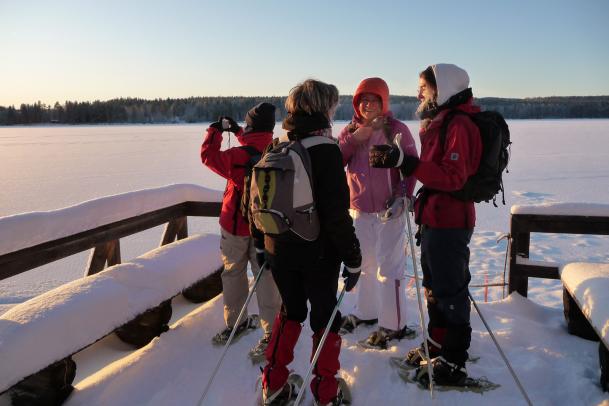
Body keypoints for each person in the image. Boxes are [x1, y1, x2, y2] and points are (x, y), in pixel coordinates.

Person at [369, 64, 482, 385]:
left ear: (442, 88)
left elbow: (452, 176)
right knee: (434, 287)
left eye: (423, 86)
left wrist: (407, 163)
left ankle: (455, 359)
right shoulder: (441, 122)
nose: (419, 92)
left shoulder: (460, 124)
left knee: (450, 291)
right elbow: (430, 171)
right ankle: (437, 341)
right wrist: (400, 165)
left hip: (451, 220)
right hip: (433, 216)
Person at [260, 80, 362, 406]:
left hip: (279, 247)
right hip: (317, 253)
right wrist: (353, 257)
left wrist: (265, 245)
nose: (335, 111)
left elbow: (261, 203)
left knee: (289, 312)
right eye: (332, 105)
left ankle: (273, 385)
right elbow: (336, 214)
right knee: (324, 317)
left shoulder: (277, 146)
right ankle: (326, 393)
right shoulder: (326, 149)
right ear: (323, 108)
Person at [337, 77, 418, 349]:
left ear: (383, 101)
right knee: (366, 265)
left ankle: (393, 325)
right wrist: (352, 139)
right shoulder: (349, 131)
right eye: (362, 100)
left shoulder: (397, 129)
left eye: (373, 99)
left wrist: (403, 197)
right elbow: (336, 161)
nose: (367, 104)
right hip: (360, 211)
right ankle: (366, 312)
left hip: (389, 212)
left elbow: (411, 167)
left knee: (389, 268)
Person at [200, 102, 282, 360]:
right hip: (266, 229)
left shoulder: (237, 156)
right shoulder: (275, 149)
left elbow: (208, 157)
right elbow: (253, 143)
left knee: (233, 274)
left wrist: (214, 132)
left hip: (235, 227)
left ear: (250, 125)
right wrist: (238, 131)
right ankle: (273, 333)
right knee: (266, 279)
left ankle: (237, 322)